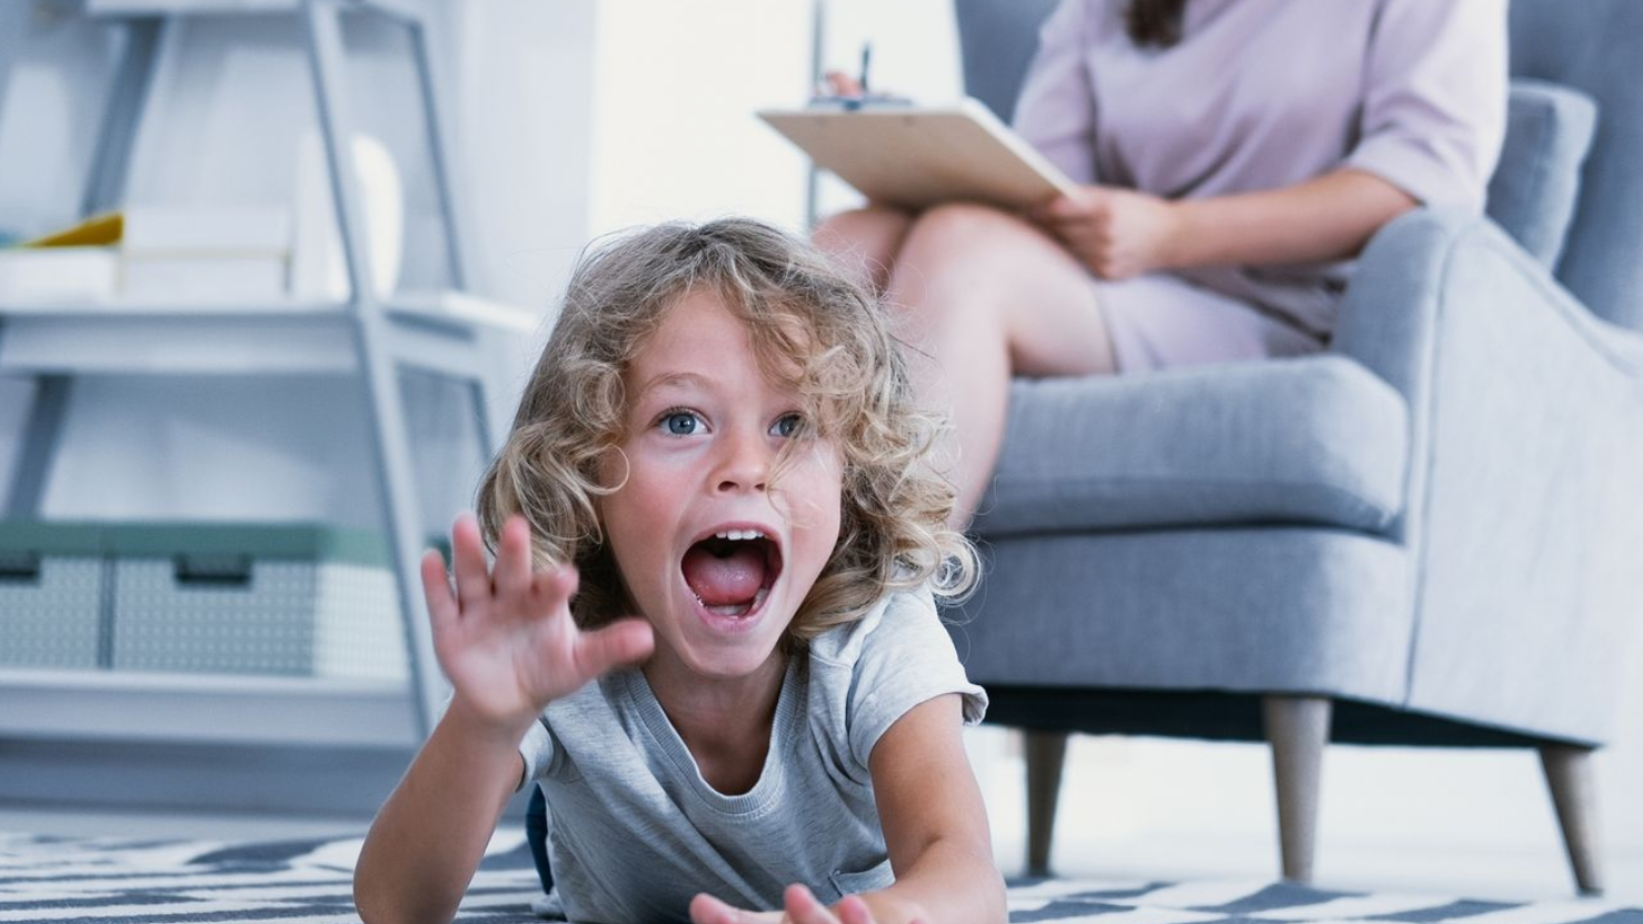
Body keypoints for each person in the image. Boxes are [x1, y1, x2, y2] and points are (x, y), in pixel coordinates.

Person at [352, 218, 1005, 924]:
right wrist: (487, 720)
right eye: (683, 421)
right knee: (549, 810)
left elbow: (963, 873)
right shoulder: (558, 651)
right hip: (604, 853)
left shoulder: (876, 635)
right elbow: (394, 908)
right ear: (585, 470)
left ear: (852, 476)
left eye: (791, 424)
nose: (745, 468)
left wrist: (880, 919)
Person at [815, 0, 1507, 527]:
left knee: (965, 252)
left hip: (1280, 311)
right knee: (849, 239)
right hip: (1115, 285)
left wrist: (1173, 233)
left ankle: (883, 623)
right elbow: (1044, 187)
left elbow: (1423, 180)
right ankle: (769, 575)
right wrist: (913, 142)